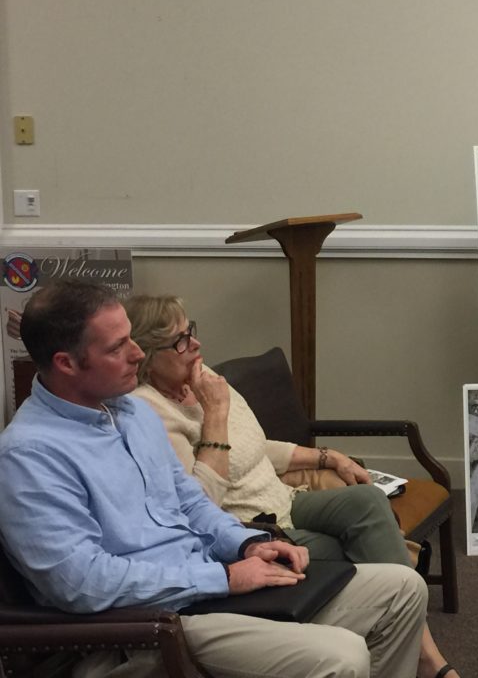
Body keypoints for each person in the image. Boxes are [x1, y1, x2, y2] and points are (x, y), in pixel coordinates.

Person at [0, 281, 427, 678]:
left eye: (132, 337)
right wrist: (223, 578)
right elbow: (82, 584)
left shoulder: (130, 413)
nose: (137, 354)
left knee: (402, 588)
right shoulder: (30, 455)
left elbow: (190, 503)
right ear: (66, 363)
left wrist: (247, 543)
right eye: (118, 347)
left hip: (206, 591)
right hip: (144, 627)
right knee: (342, 657)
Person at [124, 294, 459, 678]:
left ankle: (417, 646)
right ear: (147, 356)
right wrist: (214, 414)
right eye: (180, 341)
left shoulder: (206, 380)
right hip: (252, 526)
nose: (195, 344)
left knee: (366, 501)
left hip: (284, 498)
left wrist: (328, 457)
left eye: (191, 331)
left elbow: (255, 445)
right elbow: (201, 503)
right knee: (352, 548)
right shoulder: (152, 412)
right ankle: (424, 655)